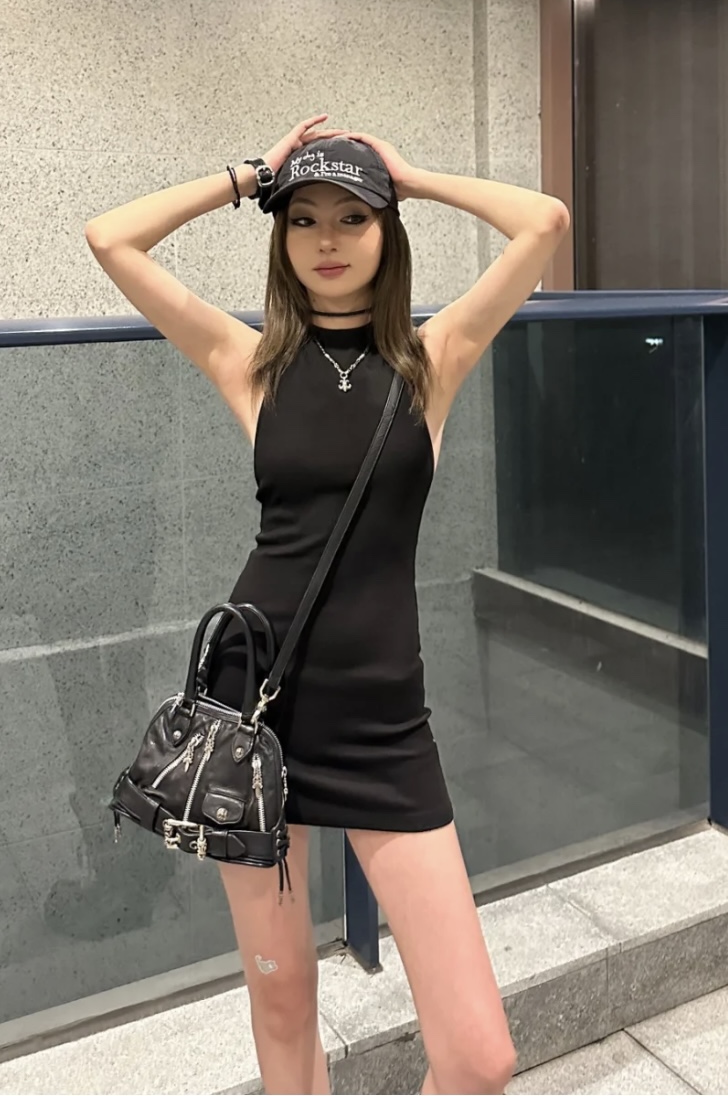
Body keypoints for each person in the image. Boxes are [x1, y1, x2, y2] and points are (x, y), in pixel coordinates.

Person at [85, 117, 569, 1095]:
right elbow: (112, 239)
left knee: (480, 1057)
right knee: (282, 997)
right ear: (280, 237)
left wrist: (412, 178)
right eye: (303, 218)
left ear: (387, 232)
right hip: (255, 708)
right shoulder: (251, 362)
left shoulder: (432, 361)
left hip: (385, 721)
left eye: (353, 216)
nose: (328, 239)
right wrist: (250, 175)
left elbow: (545, 222)